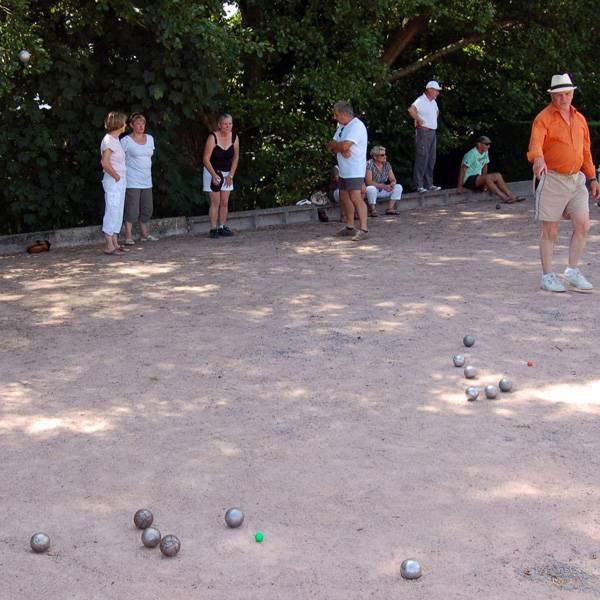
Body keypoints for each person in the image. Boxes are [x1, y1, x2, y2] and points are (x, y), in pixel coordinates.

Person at [528, 73, 600, 292]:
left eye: (567, 94)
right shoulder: (543, 118)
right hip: (553, 178)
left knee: (583, 224)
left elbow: (585, 151)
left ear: (572, 94)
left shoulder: (580, 119)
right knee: (550, 229)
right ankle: (548, 276)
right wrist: (538, 158)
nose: (563, 99)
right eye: (559, 95)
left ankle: (571, 271)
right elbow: (536, 143)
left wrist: (592, 177)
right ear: (552, 96)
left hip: (576, 179)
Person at [325, 100, 369, 241]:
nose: (335, 117)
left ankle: (364, 229)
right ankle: (349, 226)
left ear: (344, 114)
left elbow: (343, 146)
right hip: (344, 168)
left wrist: (339, 147)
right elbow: (331, 145)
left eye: (336, 114)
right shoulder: (342, 127)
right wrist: (339, 147)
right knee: (344, 196)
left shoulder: (357, 126)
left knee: (356, 197)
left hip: (355, 168)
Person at [121, 113, 158, 245]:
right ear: (131, 125)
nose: (141, 126)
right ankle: (128, 237)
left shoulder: (150, 138)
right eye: (138, 123)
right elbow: (120, 159)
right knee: (132, 209)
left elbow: (149, 157)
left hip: (147, 180)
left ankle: (144, 234)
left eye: (143, 123)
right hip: (132, 180)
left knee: (147, 208)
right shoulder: (125, 140)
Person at [203, 113, 239, 239]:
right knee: (215, 202)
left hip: (227, 173)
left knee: (224, 202)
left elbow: (236, 157)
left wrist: (231, 175)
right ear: (219, 125)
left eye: (230, 124)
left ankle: (222, 226)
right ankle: (213, 228)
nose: (227, 126)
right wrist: (213, 175)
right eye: (225, 124)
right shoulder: (213, 137)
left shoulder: (234, 137)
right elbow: (206, 159)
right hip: (212, 171)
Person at [457, 135, 524, 203]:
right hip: (468, 179)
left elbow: (485, 166)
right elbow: (463, 169)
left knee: (498, 175)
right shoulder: (471, 154)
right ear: (479, 144)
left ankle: (511, 196)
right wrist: (460, 186)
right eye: (486, 144)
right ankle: (505, 198)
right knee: (487, 178)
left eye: (489, 144)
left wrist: (485, 183)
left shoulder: (485, 152)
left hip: (478, 178)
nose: (488, 146)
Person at [100, 111, 128, 256]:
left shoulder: (116, 140)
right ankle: (109, 245)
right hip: (113, 180)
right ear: (118, 124)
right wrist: (116, 176)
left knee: (118, 211)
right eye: (124, 122)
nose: (125, 125)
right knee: (112, 210)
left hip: (120, 180)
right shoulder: (109, 140)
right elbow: (105, 163)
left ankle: (115, 242)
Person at [408, 80, 443, 194]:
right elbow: (411, 109)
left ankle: (429, 184)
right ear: (430, 90)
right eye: (436, 90)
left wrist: (431, 121)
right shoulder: (421, 100)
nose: (437, 93)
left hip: (432, 132)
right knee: (422, 157)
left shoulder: (433, 102)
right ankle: (418, 185)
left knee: (431, 158)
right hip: (423, 132)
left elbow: (437, 112)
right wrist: (418, 119)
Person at [365, 145, 403, 216]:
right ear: (375, 157)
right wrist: (384, 186)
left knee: (398, 187)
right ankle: (372, 209)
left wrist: (392, 183)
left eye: (385, 154)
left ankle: (390, 208)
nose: (385, 156)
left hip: (382, 189)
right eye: (382, 155)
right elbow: (368, 182)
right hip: (373, 189)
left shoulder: (387, 164)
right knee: (371, 189)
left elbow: (393, 179)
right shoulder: (369, 164)